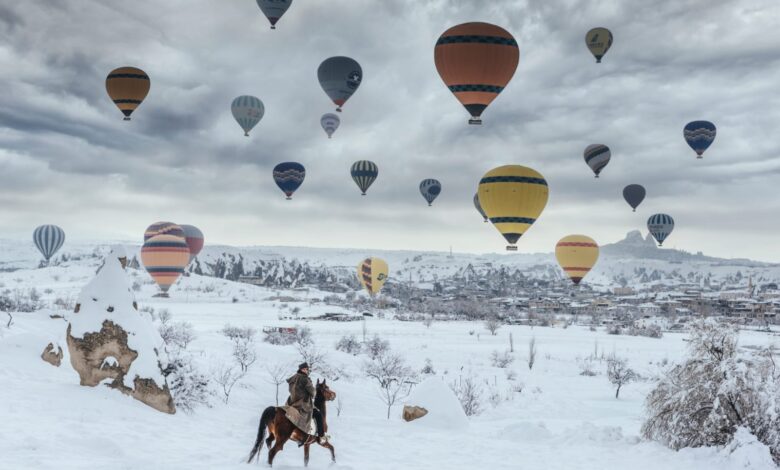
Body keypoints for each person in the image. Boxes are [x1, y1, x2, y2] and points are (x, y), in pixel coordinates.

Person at [286, 362, 323, 446]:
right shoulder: (305, 379)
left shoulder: (293, 378)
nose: (306, 370)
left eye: (306, 369)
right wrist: (313, 392)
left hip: (291, 402)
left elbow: (291, 390)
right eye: (304, 369)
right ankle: (321, 436)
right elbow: (313, 393)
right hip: (302, 403)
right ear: (300, 369)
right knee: (318, 415)